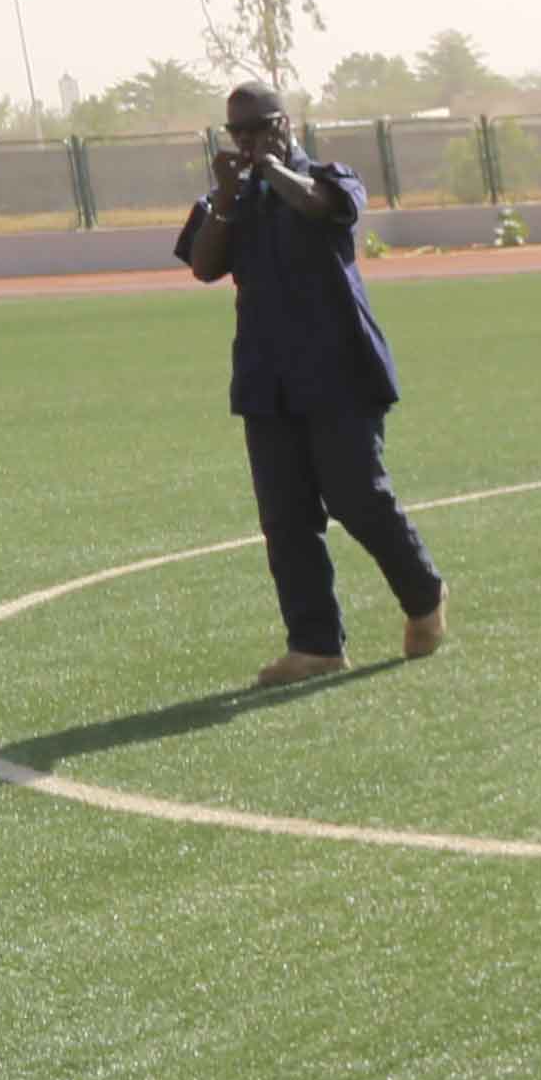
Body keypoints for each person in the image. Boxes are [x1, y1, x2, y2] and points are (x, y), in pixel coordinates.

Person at [173, 85, 444, 687]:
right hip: (267, 378)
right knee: (286, 516)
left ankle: (424, 595)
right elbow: (204, 265)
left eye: (259, 127)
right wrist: (226, 195)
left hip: (339, 368)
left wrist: (272, 169)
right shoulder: (229, 199)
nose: (246, 140)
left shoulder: (329, 176)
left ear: (286, 123)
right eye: (236, 132)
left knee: (358, 497)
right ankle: (316, 644)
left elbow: (326, 209)